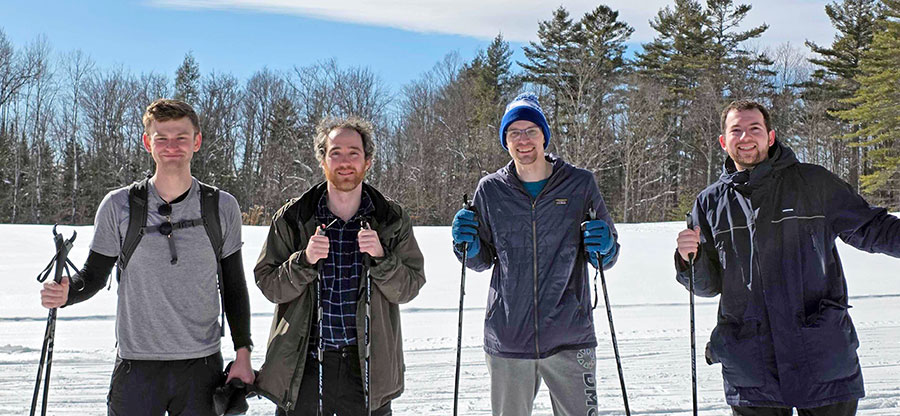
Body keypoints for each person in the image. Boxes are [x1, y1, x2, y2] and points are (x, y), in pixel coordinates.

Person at [675, 99, 900, 416]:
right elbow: (707, 286)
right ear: (724, 142)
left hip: (821, 354)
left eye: (754, 128)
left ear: (770, 136)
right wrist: (688, 260)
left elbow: (872, 227)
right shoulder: (709, 202)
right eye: (736, 130)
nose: (745, 137)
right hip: (750, 365)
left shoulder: (813, 183)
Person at [39, 98, 255, 415]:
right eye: (161, 137)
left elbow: (234, 285)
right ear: (147, 142)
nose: (172, 146)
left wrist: (243, 351)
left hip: (202, 366)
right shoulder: (118, 205)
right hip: (135, 366)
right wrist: (67, 293)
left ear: (197, 141)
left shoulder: (222, 207)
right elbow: (94, 275)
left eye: (181, 137)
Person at [451, 92, 620, 415]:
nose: (523, 139)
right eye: (514, 132)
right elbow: (481, 260)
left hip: (570, 334)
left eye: (531, 130)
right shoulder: (490, 189)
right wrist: (467, 247)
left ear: (544, 135)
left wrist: (606, 246)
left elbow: (607, 256)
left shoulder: (579, 184)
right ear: (505, 140)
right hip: (508, 337)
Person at [254, 116, 425, 416]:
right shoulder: (294, 217)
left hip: (367, 367)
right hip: (303, 366)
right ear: (323, 159)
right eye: (335, 153)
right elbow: (269, 284)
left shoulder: (391, 219)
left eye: (353, 153)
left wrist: (382, 258)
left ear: (367, 161)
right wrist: (303, 262)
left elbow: (410, 286)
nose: (345, 161)